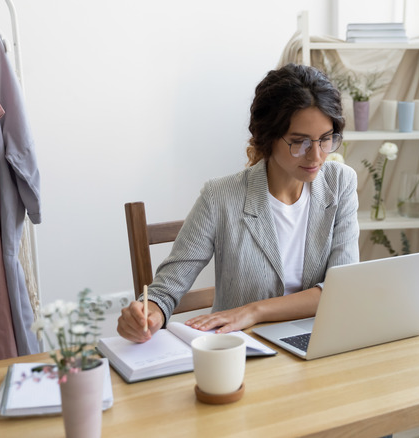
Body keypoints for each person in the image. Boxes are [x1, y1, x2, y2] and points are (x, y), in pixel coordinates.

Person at [117, 63, 359, 343]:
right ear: (268, 137)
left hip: (321, 344)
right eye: (300, 142)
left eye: (325, 139)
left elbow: (342, 289)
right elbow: (165, 290)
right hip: (242, 351)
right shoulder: (219, 196)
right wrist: (149, 314)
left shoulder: (340, 183)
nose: (316, 156)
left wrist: (254, 311)